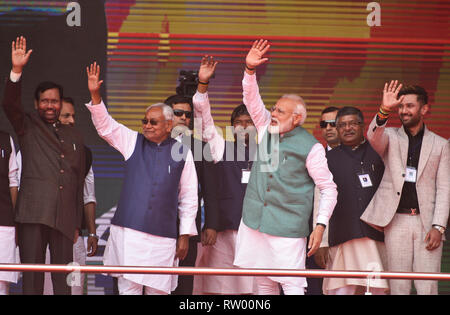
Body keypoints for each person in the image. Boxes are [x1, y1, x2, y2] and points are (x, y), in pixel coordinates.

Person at [233, 40, 338, 295]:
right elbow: (251, 99)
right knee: (263, 283)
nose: (274, 113)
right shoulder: (265, 127)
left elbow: (328, 188)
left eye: (280, 110)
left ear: (297, 118)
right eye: (274, 108)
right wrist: (249, 70)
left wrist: (320, 225)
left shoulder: (312, 147)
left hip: (288, 228)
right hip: (254, 221)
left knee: (292, 285)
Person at [85, 62, 198, 295]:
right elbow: (106, 127)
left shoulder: (182, 152)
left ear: (168, 125)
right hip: (129, 234)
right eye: (144, 121)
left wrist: (184, 235)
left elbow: (189, 197)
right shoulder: (132, 141)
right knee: (129, 290)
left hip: (163, 237)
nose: (146, 125)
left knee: (158, 291)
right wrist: (95, 95)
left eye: (153, 122)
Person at [2, 36, 86, 295]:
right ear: (37, 104)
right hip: (33, 214)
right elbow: (10, 104)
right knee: (33, 280)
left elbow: (77, 180)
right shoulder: (27, 125)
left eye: (55, 101)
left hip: (64, 217)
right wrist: (17, 71)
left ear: (61, 103)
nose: (50, 105)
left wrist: (77, 222)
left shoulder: (74, 135)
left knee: (63, 280)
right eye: (45, 101)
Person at [361, 81, 450, 295]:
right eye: (401, 107)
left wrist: (438, 227)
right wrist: (384, 110)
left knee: (427, 286)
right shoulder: (389, 135)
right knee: (398, 285)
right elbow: (373, 138)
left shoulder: (440, 144)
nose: (403, 111)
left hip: (426, 222)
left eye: (409, 106)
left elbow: (445, 188)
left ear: (424, 109)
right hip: (396, 220)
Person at [191, 56, 256, 295]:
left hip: (258, 234)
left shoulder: (269, 152)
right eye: (238, 122)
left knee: (256, 289)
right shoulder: (220, 147)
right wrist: (203, 85)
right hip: (225, 233)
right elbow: (203, 119)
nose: (243, 126)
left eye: (249, 122)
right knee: (220, 288)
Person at [322, 106, 388, 295]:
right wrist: (322, 243)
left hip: (375, 236)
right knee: (342, 291)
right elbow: (320, 202)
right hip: (343, 237)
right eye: (342, 125)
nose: (347, 128)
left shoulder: (378, 152)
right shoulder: (327, 159)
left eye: (353, 123)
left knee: (376, 289)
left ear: (362, 125)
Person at [43, 97, 99, 295]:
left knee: (73, 289)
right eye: (66, 115)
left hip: (74, 238)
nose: (72, 120)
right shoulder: (33, 148)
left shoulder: (84, 152)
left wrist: (91, 232)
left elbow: (88, 195)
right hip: (43, 236)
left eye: (73, 116)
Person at [164, 93, 218, 295]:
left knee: (184, 283)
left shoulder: (201, 148)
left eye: (188, 115)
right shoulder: (152, 143)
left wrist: (211, 224)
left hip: (188, 225)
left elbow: (211, 189)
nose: (185, 118)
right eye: (179, 113)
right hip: (155, 225)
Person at [0, 132, 19, 295]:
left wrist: (14, 218)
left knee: (1, 285)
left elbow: (13, 182)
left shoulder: (5, 139)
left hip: (4, 222)